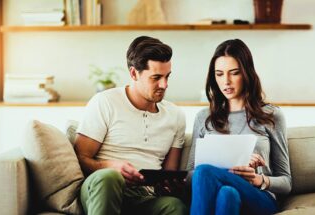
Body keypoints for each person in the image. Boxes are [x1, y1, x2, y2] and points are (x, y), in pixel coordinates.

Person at [74, 36, 187, 215]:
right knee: (109, 178)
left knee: (175, 206)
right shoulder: (105, 102)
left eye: (167, 76)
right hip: (105, 188)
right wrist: (107, 167)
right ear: (134, 73)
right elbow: (80, 156)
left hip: (145, 196)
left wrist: (170, 185)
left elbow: (170, 172)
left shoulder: (176, 115)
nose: (164, 85)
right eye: (156, 77)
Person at [186, 39, 291, 215]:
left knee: (205, 171)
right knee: (227, 194)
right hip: (225, 194)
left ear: (246, 73)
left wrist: (258, 179)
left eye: (234, 73)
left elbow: (286, 182)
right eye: (219, 74)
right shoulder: (204, 117)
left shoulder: (271, 115)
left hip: (259, 197)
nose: (226, 81)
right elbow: (190, 177)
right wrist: (235, 163)